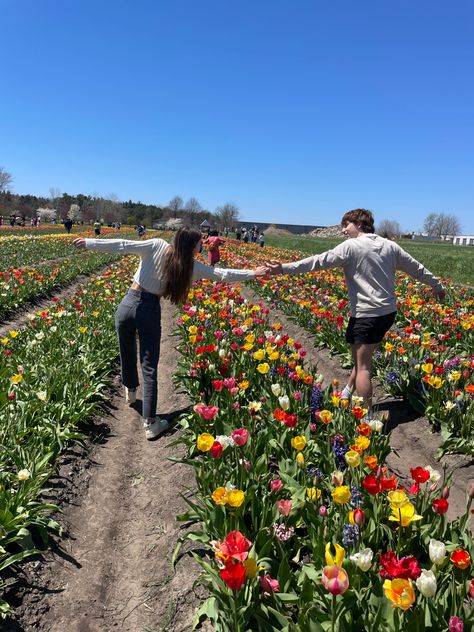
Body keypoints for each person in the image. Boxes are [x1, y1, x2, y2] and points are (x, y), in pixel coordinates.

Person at [73, 227, 267, 440]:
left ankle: (130, 392)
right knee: (149, 364)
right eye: (199, 243)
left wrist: (90, 242)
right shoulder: (190, 266)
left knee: (126, 351)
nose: (201, 245)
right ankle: (150, 423)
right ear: (192, 245)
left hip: (127, 304)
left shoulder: (157, 245)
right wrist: (253, 273)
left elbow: (124, 245)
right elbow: (222, 274)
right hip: (149, 310)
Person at [262, 209, 446, 419]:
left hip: (366, 314)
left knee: (364, 366)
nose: (343, 230)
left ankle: (366, 419)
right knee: (362, 357)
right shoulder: (390, 246)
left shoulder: (351, 247)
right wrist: (436, 285)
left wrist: (283, 268)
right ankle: (348, 390)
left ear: (359, 223)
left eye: (346, 225)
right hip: (387, 313)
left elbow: (318, 262)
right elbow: (416, 268)